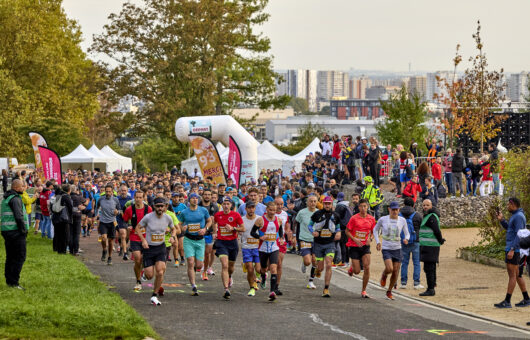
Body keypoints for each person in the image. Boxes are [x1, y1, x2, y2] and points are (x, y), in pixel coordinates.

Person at [136, 197, 177, 306]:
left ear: (165, 207)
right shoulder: (148, 217)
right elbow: (137, 228)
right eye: (158, 206)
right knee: (150, 275)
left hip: (161, 248)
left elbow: (174, 229)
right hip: (149, 248)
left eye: (162, 206)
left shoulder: (168, 218)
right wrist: (143, 240)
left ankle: (154, 295)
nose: (160, 208)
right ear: (154, 206)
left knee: (160, 271)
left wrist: (172, 237)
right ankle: (144, 273)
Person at [494, 197, 529, 308]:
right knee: (518, 275)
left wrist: (513, 249)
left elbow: (519, 234)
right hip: (515, 249)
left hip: (514, 250)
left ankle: (507, 301)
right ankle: (527, 298)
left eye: (508, 205)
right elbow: (510, 229)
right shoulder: (516, 215)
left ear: (513, 204)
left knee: (512, 275)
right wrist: (502, 220)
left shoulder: (518, 216)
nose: (507, 207)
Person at [373, 201, 409, 300]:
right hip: (386, 248)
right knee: (390, 269)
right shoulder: (383, 219)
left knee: (395, 271)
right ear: (389, 209)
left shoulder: (402, 220)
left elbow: (407, 233)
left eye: (396, 209)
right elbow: (375, 230)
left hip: (397, 248)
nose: (394, 211)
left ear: (399, 210)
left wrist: (406, 239)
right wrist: (377, 242)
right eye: (393, 209)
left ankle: (389, 291)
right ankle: (384, 274)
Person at [178, 193, 211, 296]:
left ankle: (198, 270)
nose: (195, 200)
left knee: (199, 265)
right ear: (189, 200)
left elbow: (209, 221)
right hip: (188, 239)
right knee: (190, 262)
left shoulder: (203, 210)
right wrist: (182, 229)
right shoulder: (184, 212)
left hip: (200, 240)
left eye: (196, 198)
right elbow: (179, 224)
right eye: (193, 198)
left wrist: (205, 229)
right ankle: (193, 285)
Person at [308, 196, 341, 297]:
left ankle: (326, 289)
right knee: (321, 268)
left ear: (332, 204)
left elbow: (338, 227)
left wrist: (338, 233)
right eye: (325, 203)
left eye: (329, 203)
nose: (327, 205)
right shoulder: (317, 214)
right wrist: (313, 232)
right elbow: (309, 225)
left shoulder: (336, 215)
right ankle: (318, 269)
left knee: (329, 264)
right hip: (318, 243)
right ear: (323, 203)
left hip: (330, 244)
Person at [251, 201, 284, 302]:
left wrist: (281, 238)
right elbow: (252, 232)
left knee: (274, 268)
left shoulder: (278, 220)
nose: (272, 212)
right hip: (263, 248)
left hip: (274, 247)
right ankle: (263, 276)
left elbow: (280, 230)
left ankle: (272, 291)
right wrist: (260, 237)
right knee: (263, 269)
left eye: (274, 210)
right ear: (267, 210)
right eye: (270, 210)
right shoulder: (260, 220)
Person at [213, 197, 245, 300]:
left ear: (231, 205)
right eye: (224, 204)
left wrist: (233, 228)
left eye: (228, 204)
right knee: (225, 265)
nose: (226, 206)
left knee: (230, 267)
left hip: (232, 243)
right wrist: (214, 232)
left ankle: (230, 276)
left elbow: (243, 228)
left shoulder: (236, 215)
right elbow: (214, 223)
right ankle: (226, 289)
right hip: (221, 243)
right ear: (221, 205)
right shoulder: (218, 215)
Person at [1, 179, 28, 289]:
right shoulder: (15, 199)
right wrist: (23, 231)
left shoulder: (6, 198)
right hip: (16, 232)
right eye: (22, 186)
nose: (24, 188)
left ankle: (9, 280)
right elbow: (18, 216)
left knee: (10, 256)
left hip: (7, 231)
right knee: (20, 256)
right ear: (16, 187)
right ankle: (14, 282)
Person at [345, 199, 376, 298]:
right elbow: (347, 231)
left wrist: (370, 239)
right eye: (361, 206)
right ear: (358, 207)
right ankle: (352, 268)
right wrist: (355, 239)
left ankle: (364, 290)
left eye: (365, 206)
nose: (363, 208)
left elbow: (374, 232)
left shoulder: (371, 219)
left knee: (367, 267)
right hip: (354, 246)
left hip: (365, 246)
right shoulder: (354, 218)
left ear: (367, 207)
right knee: (357, 271)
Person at [123, 190, 152, 291]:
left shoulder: (148, 209)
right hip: (134, 237)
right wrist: (129, 226)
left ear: (144, 198)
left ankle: (143, 270)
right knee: (137, 259)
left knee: (144, 260)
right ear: (134, 198)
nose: (138, 199)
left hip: (146, 237)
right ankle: (138, 281)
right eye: (137, 197)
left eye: (140, 197)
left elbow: (152, 221)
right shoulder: (129, 209)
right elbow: (125, 221)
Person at [418, 199, 445, 296]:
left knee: (429, 268)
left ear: (431, 206)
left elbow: (437, 231)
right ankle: (432, 285)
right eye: (424, 205)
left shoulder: (431, 217)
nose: (425, 207)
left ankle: (430, 289)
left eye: (427, 205)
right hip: (428, 246)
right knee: (430, 268)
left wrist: (440, 240)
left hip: (430, 246)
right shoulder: (429, 216)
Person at [399, 197, 424, 289]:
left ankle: (403, 282)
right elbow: (421, 227)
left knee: (404, 262)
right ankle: (416, 283)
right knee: (416, 262)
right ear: (413, 205)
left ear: (404, 204)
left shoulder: (399, 215)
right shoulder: (417, 215)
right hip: (415, 241)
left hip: (403, 241)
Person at [296, 194, 318, 289]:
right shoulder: (301, 212)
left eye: (314, 201)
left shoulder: (319, 213)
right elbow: (296, 224)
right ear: (307, 203)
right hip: (304, 239)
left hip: (316, 240)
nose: (312, 203)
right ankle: (304, 263)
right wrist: (294, 237)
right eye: (311, 201)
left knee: (315, 261)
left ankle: (311, 281)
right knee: (308, 261)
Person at [240, 201, 261, 296]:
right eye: (249, 208)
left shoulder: (259, 219)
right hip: (246, 247)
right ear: (246, 209)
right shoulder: (242, 219)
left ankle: (258, 276)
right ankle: (252, 287)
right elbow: (239, 230)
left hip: (257, 247)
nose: (251, 209)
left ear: (255, 209)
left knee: (258, 269)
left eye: (253, 207)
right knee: (250, 269)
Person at [96, 184, 120, 265]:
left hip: (112, 222)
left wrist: (118, 212)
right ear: (104, 191)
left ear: (112, 191)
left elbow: (120, 210)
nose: (108, 193)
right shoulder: (101, 199)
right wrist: (98, 214)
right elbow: (97, 207)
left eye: (109, 191)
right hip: (103, 222)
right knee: (103, 238)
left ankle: (109, 257)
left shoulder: (116, 200)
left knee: (110, 241)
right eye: (106, 191)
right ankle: (104, 250)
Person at [199, 189, 219, 279]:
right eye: (205, 194)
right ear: (202, 195)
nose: (207, 196)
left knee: (207, 253)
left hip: (209, 233)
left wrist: (215, 232)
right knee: (199, 253)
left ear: (211, 196)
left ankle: (205, 271)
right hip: (197, 233)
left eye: (209, 194)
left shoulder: (214, 207)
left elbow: (215, 221)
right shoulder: (198, 205)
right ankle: (200, 265)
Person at [51, 184, 73, 254]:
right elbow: (70, 208)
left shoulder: (57, 195)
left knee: (57, 234)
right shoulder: (66, 197)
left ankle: (57, 248)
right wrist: (70, 217)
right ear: (69, 190)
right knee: (65, 235)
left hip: (55, 217)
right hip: (64, 218)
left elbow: (52, 206)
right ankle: (63, 250)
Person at [116, 184, 132, 260]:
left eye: (125, 191)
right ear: (119, 191)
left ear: (127, 191)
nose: (123, 192)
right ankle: (125, 253)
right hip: (120, 219)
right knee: (123, 235)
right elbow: (114, 208)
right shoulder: (116, 199)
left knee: (128, 236)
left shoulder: (130, 199)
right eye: (122, 191)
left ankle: (123, 247)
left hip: (128, 219)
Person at [69, 185, 85, 256]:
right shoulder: (78, 197)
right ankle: (76, 250)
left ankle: (70, 250)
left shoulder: (67, 197)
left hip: (69, 216)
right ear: (75, 190)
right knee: (76, 234)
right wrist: (82, 207)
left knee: (71, 233)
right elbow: (86, 202)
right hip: (77, 216)